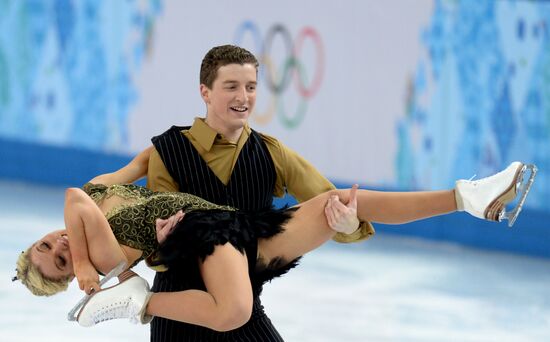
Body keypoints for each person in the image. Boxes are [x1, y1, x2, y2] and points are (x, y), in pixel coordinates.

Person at [144, 44, 536, 341]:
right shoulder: (169, 151)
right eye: (231, 86)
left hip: (246, 309)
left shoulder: (271, 153)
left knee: (344, 202)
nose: (242, 97)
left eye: (250, 86)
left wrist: (346, 224)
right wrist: (159, 245)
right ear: (205, 91)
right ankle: (464, 198)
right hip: (183, 310)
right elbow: (154, 245)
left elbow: (340, 207)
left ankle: (464, 198)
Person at [14, 146, 534, 333]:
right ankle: (143, 303)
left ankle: (467, 197)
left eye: (48, 246)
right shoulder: (99, 257)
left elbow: (147, 162)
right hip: (204, 234)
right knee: (235, 312)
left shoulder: (97, 189)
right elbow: (73, 201)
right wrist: (86, 267)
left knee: (343, 207)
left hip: (235, 225)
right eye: (60, 262)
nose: (61, 248)